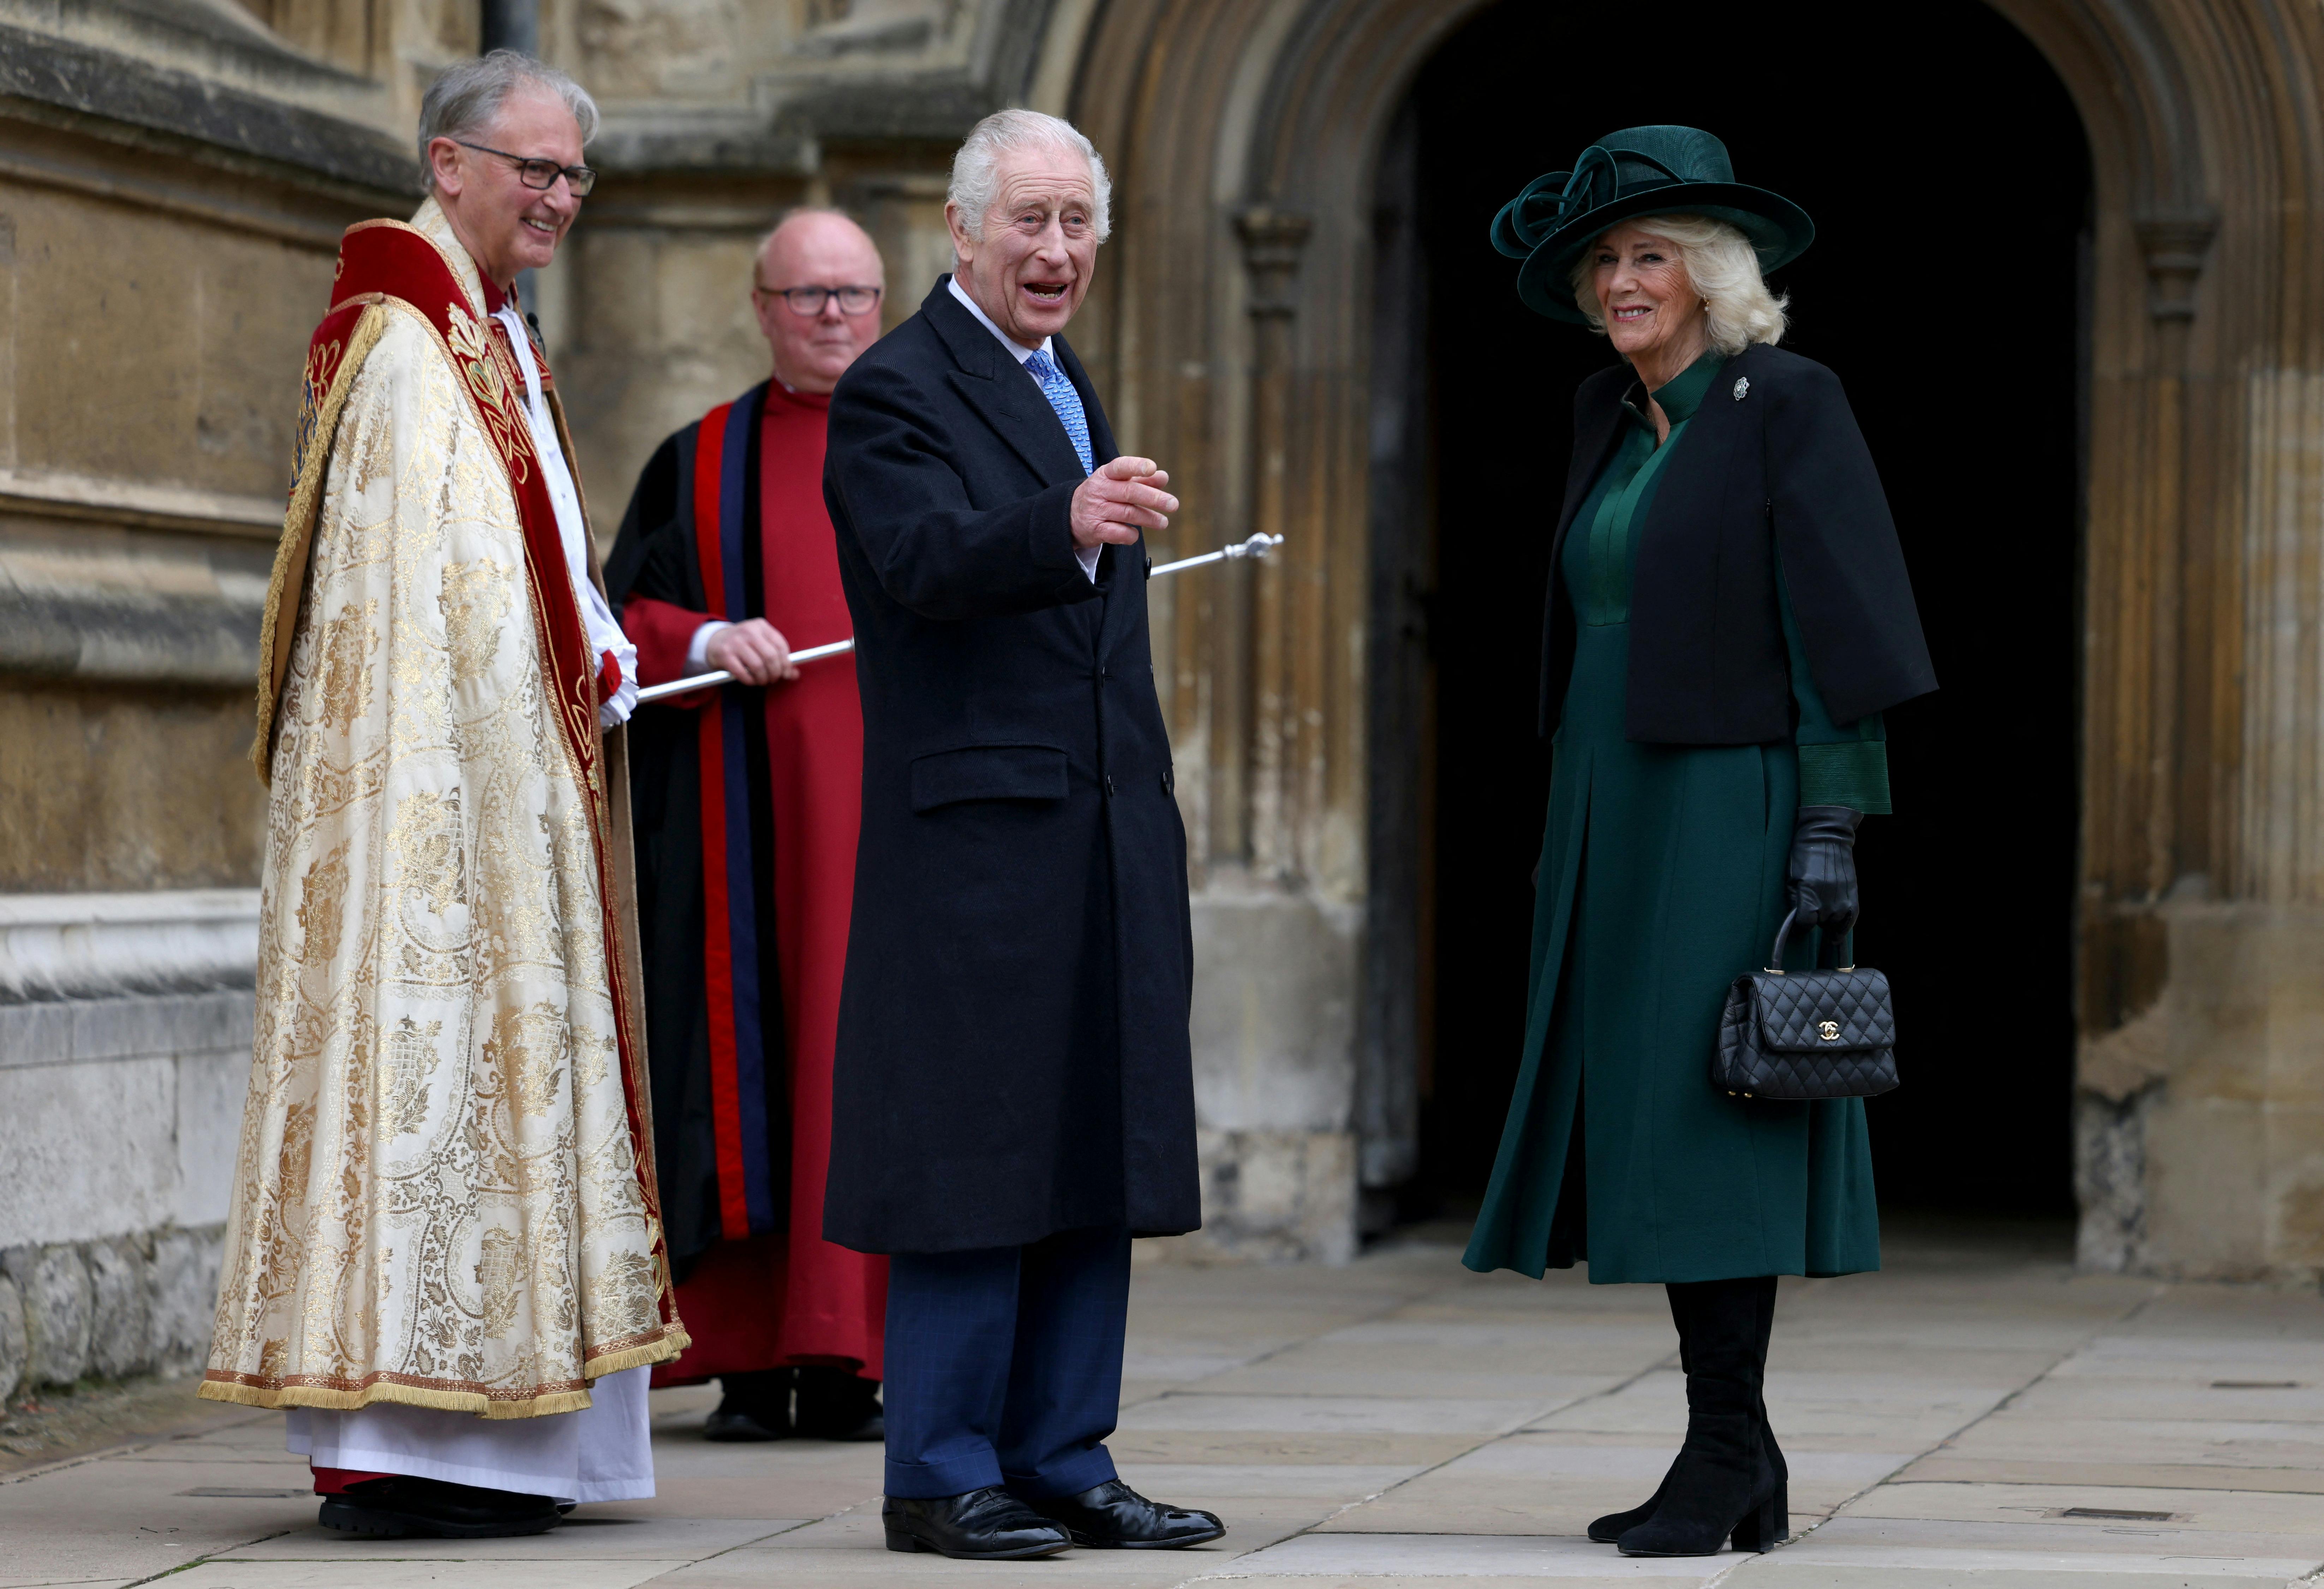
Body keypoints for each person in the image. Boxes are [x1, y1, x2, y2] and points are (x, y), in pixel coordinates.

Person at [201, 52, 687, 1538]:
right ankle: (418, 1448)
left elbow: (528, 554)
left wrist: (598, 648)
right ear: (449, 161)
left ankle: (505, 1446)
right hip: (443, 811)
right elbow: (435, 605)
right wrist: (556, 678)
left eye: (572, 177)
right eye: (531, 169)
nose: (555, 198)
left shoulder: (487, 328)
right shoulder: (411, 348)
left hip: (514, 783)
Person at [1460, 126, 1936, 1559]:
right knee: (1651, 1133)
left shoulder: (1786, 401)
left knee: (1714, 1125)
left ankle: (1723, 1446)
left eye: (1646, 253)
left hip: (1732, 805)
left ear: (1714, 276)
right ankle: (1742, 1452)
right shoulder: (1603, 419)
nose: (1619, 280)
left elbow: (1839, 623)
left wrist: (1830, 824)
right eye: (1603, 259)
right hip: (1609, 803)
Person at [820, 108, 1224, 1562]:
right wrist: (1063, 516)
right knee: (975, 1157)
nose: (1055, 251)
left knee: (1089, 1150)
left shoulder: (1065, 381)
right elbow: (921, 559)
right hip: (974, 849)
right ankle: (936, 1468)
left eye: (1076, 224)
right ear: (962, 228)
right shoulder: (896, 388)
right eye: (1030, 221)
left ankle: (1064, 1454)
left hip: (1101, 829)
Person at [604, 210, 891, 1444]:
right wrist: (709, 639)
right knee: (743, 1073)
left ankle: (856, 1359)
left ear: (884, 305)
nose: (831, 316)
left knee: (867, 1074)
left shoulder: (931, 449)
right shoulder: (700, 457)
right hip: (735, 836)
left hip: (892, 830)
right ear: (763, 309)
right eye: (806, 295)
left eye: (854, 294)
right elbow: (620, 615)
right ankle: (749, 1363)